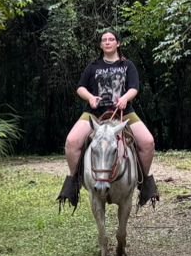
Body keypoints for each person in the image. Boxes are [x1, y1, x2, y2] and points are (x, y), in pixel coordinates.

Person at [58, 30, 158, 208]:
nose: (107, 42)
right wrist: (90, 97)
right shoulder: (93, 66)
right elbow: (80, 87)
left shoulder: (127, 65)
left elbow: (134, 87)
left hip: (124, 112)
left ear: (118, 43)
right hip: (94, 113)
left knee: (148, 141)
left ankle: (145, 184)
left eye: (111, 39)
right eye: (104, 40)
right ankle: (73, 183)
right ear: (100, 45)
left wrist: (125, 98)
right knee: (72, 141)